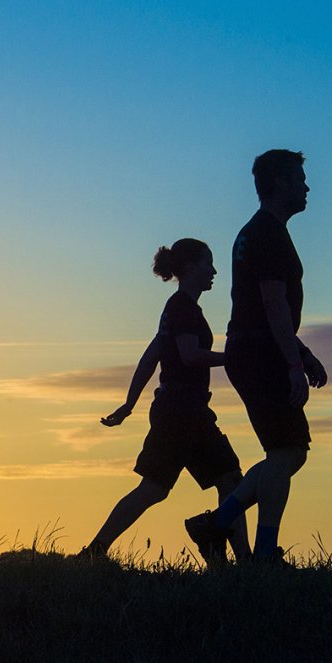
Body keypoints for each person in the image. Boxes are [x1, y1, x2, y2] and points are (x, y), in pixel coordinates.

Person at [186, 150, 325, 564]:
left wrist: (300, 352)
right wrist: (294, 363)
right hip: (260, 354)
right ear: (279, 182)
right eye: (300, 179)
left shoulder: (259, 232)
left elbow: (262, 308)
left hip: (253, 349)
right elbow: (272, 304)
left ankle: (216, 525)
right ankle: (260, 553)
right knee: (287, 452)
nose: (306, 187)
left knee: (287, 452)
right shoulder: (266, 233)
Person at [81, 239, 249, 563]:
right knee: (227, 479)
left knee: (159, 488)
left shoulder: (177, 309)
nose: (214, 271)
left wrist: (129, 406)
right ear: (188, 267)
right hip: (183, 412)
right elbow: (189, 356)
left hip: (178, 410)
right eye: (207, 264)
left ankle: (95, 551)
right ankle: (241, 557)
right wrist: (233, 358)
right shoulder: (183, 309)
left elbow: (150, 357)